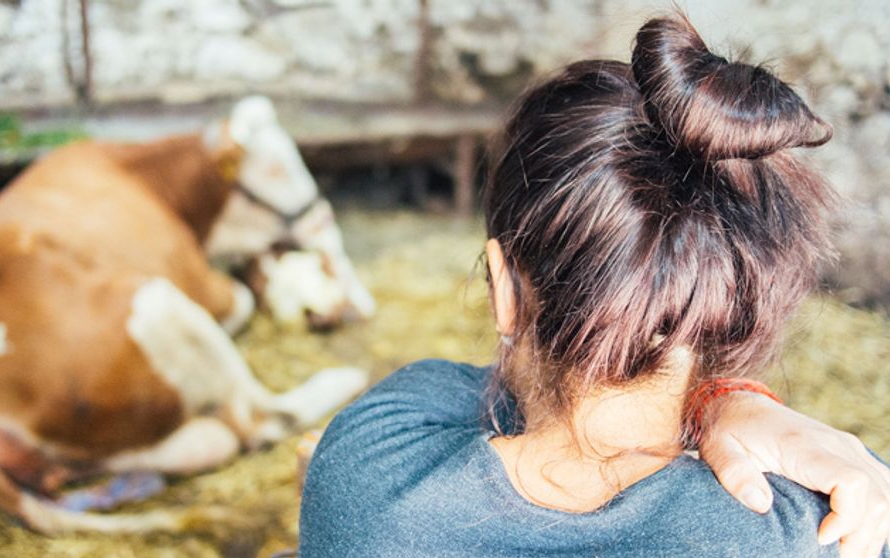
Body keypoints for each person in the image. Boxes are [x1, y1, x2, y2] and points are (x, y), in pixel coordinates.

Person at [299, 14, 890, 558]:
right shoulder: (826, 523)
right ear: (723, 300)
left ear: (505, 290)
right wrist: (722, 398)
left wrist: (719, 404)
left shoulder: (371, 468)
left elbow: (475, 391)